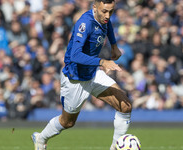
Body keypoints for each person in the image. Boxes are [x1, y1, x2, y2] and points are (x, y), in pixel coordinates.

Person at [31, 0, 132, 150]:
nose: (108, 15)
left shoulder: (104, 18)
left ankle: (115, 147)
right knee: (67, 122)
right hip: (75, 78)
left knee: (125, 106)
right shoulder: (84, 24)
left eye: (111, 11)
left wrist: (114, 45)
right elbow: (75, 55)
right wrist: (103, 62)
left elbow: (107, 24)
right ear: (94, 7)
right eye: (104, 11)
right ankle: (41, 138)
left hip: (93, 73)